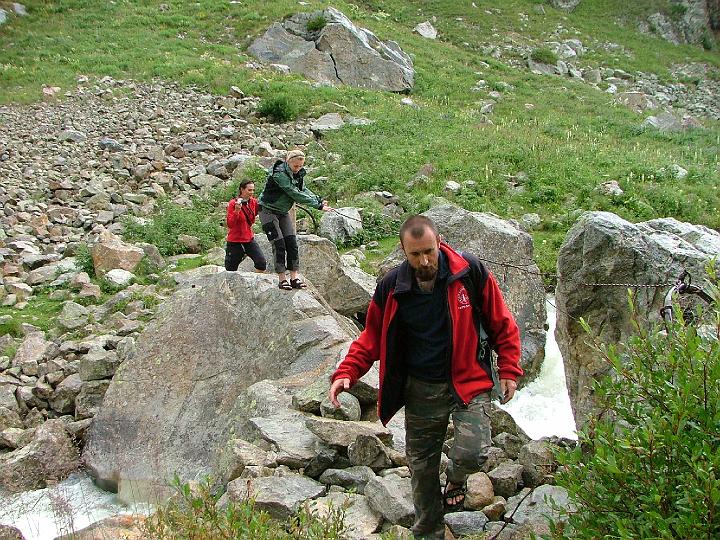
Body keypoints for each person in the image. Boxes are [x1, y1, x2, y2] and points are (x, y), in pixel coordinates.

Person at [329, 215, 523, 539]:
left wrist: (509, 369)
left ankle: (457, 478)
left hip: (469, 380)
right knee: (421, 467)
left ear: (440, 242)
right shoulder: (393, 287)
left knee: (473, 452)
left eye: (429, 251)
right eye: (415, 254)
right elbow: (372, 336)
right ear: (403, 251)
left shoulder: (468, 271)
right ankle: (429, 531)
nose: (424, 261)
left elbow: (501, 321)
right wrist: (347, 371)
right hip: (421, 389)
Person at [258, 148, 330, 290]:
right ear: (288, 162)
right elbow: (294, 193)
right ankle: (282, 279)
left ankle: (294, 278)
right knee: (279, 243)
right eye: (296, 166)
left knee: (291, 242)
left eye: (300, 166)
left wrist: (319, 200)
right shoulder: (279, 174)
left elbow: (303, 189)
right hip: (267, 210)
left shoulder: (298, 174)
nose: (298, 169)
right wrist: (318, 206)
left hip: (283, 211)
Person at [224, 179, 267, 273]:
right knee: (230, 270)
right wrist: (236, 211)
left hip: (248, 239)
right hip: (234, 241)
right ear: (242, 189)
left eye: (253, 190)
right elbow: (230, 224)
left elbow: (257, 213)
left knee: (261, 263)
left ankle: (256, 280)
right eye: (249, 190)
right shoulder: (233, 203)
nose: (252, 192)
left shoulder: (253, 202)